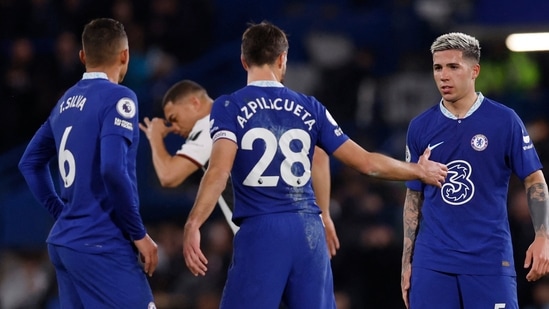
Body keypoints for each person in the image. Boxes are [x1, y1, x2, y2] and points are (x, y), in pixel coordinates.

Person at [181, 21, 447, 309]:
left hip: (262, 230)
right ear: (282, 59)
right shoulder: (311, 107)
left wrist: (194, 223)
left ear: (244, 60)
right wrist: (419, 170)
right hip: (309, 231)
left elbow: (219, 170)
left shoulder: (229, 106)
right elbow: (366, 163)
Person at [400, 32, 549, 309]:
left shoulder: (504, 120)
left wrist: (543, 236)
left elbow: (534, 179)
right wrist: (407, 262)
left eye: (453, 67)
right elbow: (414, 197)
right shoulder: (420, 127)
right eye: (438, 67)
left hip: (489, 258)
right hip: (432, 262)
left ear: (475, 71)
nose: (443, 76)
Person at [18, 18, 158, 308]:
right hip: (101, 243)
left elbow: (29, 163)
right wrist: (139, 234)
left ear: (83, 56)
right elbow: (112, 169)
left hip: (65, 244)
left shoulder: (65, 101)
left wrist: (62, 212)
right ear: (125, 55)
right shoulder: (120, 98)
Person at [139, 79, 340, 254]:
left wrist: (154, 137)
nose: (173, 127)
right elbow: (319, 156)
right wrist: (324, 216)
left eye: (174, 118)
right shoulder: (253, 115)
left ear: (194, 103)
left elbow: (169, 176)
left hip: (261, 239)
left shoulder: (211, 124)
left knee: (250, 298)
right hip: (301, 231)